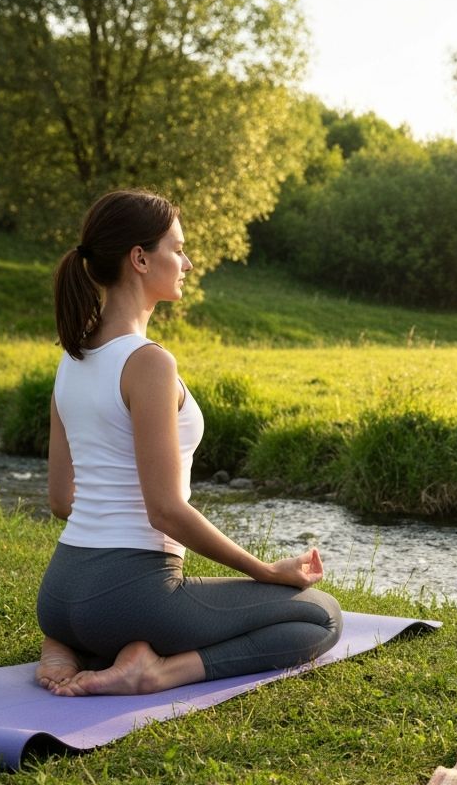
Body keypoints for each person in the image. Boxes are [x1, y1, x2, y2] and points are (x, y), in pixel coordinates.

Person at [35, 189, 342, 696]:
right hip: (132, 596)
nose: (188, 261)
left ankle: (70, 643)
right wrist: (265, 570)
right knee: (320, 616)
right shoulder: (149, 363)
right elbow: (166, 512)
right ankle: (153, 671)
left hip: (60, 592)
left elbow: (59, 500)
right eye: (177, 249)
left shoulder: (72, 358)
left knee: (111, 616)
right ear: (139, 258)